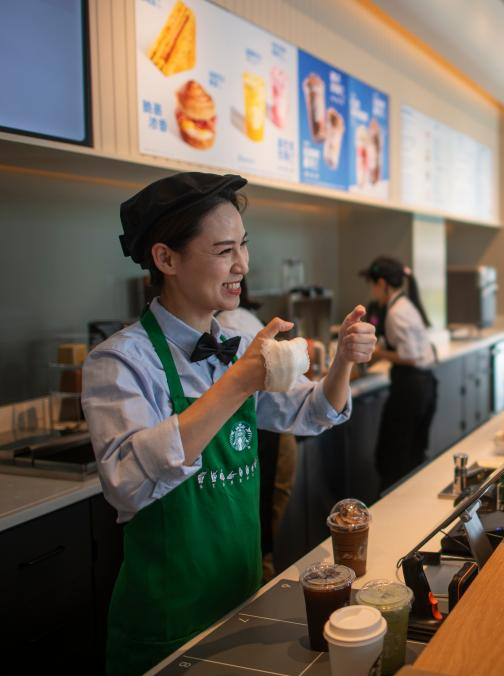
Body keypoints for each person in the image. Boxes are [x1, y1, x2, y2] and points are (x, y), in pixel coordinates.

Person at [82, 172, 377, 674]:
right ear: (166, 259)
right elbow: (126, 485)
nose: (242, 264)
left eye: (243, 244)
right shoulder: (119, 362)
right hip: (166, 627)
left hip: (242, 606)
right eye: (223, 250)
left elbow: (311, 412)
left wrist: (344, 362)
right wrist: (237, 383)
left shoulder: (237, 349)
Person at [217, 280, 297, 582]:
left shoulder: (231, 325)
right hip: (271, 432)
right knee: (263, 518)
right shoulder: (241, 320)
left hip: (266, 433)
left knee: (261, 521)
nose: (239, 262)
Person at [360, 257, 438, 491]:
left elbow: (411, 356)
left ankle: (394, 513)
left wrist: (379, 352)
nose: (372, 291)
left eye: (372, 285)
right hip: (425, 386)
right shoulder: (405, 305)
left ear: (382, 283)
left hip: (410, 388)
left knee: (391, 459)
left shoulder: (396, 312)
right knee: (412, 455)